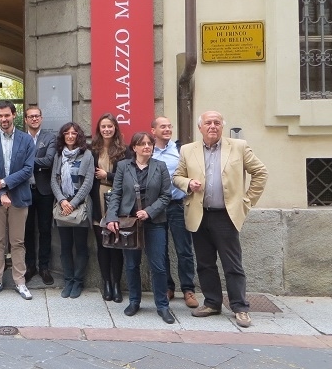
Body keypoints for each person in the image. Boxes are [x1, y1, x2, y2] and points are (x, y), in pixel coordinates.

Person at [173, 111, 268, 328]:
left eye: (217, 122)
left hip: (226, 216)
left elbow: (260, 172)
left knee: (232, 264)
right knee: (205, 264)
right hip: (199, 214)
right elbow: (177, 176)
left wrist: (247, 201)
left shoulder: (239, 146)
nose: (212, 126)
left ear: (222, 126)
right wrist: (187, 183)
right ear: (201, 128)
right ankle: (212, 303)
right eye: (208, 123)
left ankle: (240, 307)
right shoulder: (188, 150)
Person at [105, 131, 174, 323]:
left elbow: (166, 195)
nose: (147, 147)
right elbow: (116, 193)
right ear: (134, 148)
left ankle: (162, 305)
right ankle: (134, 301)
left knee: (158, 266)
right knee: (131, 264)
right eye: (142, 144)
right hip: (129, 223)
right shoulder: (123, 166)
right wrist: (112, 217)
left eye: (149, 144)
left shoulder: (160, 167)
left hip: (154, 223)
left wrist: (149, 211)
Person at [0, 101, 36, 300]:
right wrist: (1, 193)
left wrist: (4, 183)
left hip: (19, 197)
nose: (3, 119)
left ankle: (20, 281)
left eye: (7, 115)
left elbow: (28, 170)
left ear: (14, 115)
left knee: (18, 242)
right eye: (0, 116)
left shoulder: (26, 140)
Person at [151, 116, 198, 308]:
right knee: (160, 251)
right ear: (153, 130)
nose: (167, 129)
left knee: (184, 250)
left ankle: (188, 289)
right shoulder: (148, 151)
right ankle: (167, 287)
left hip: (178, 205)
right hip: (156, 207)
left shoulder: (180, 150)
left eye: (170, 126)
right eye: (163, 127)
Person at [51, 122, 94, 298]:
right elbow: (54, 180)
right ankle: (68, 280)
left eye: (73, 133)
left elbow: (88, 181)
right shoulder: (58, 155)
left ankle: (78, 282)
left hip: (80, 206)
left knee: (81, 247)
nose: (70, 136)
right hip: (63, 207)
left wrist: (74, 202)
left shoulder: (87, 155)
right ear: (63, 136)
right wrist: (62, 200)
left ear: (78, 136)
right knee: (65, 247)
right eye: (67, 133)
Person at [90, 113, 129, 303]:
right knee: (102, 246)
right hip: (98, 202)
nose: (106, 130)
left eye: (110, 126)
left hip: (118, 202)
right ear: (99, 129)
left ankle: (116, 285)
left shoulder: (124, 151)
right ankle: (106, 283)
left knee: (116, 245)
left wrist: (107, 175)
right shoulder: (93, 150)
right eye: (103, 126)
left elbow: (128, 178)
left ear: (115, 128)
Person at [23, 106, 57, 286]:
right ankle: (30, 266)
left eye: (37, 116)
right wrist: (37, 163)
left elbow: (49, 160)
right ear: (26, 120)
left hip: (44, 191)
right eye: (31, 117)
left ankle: (44, 267)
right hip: (24, 190)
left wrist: (26, 162)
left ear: (41, 119)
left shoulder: (50, 138)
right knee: (27, 230)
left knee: (45, 229)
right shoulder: (20, 137)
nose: (34, 119)